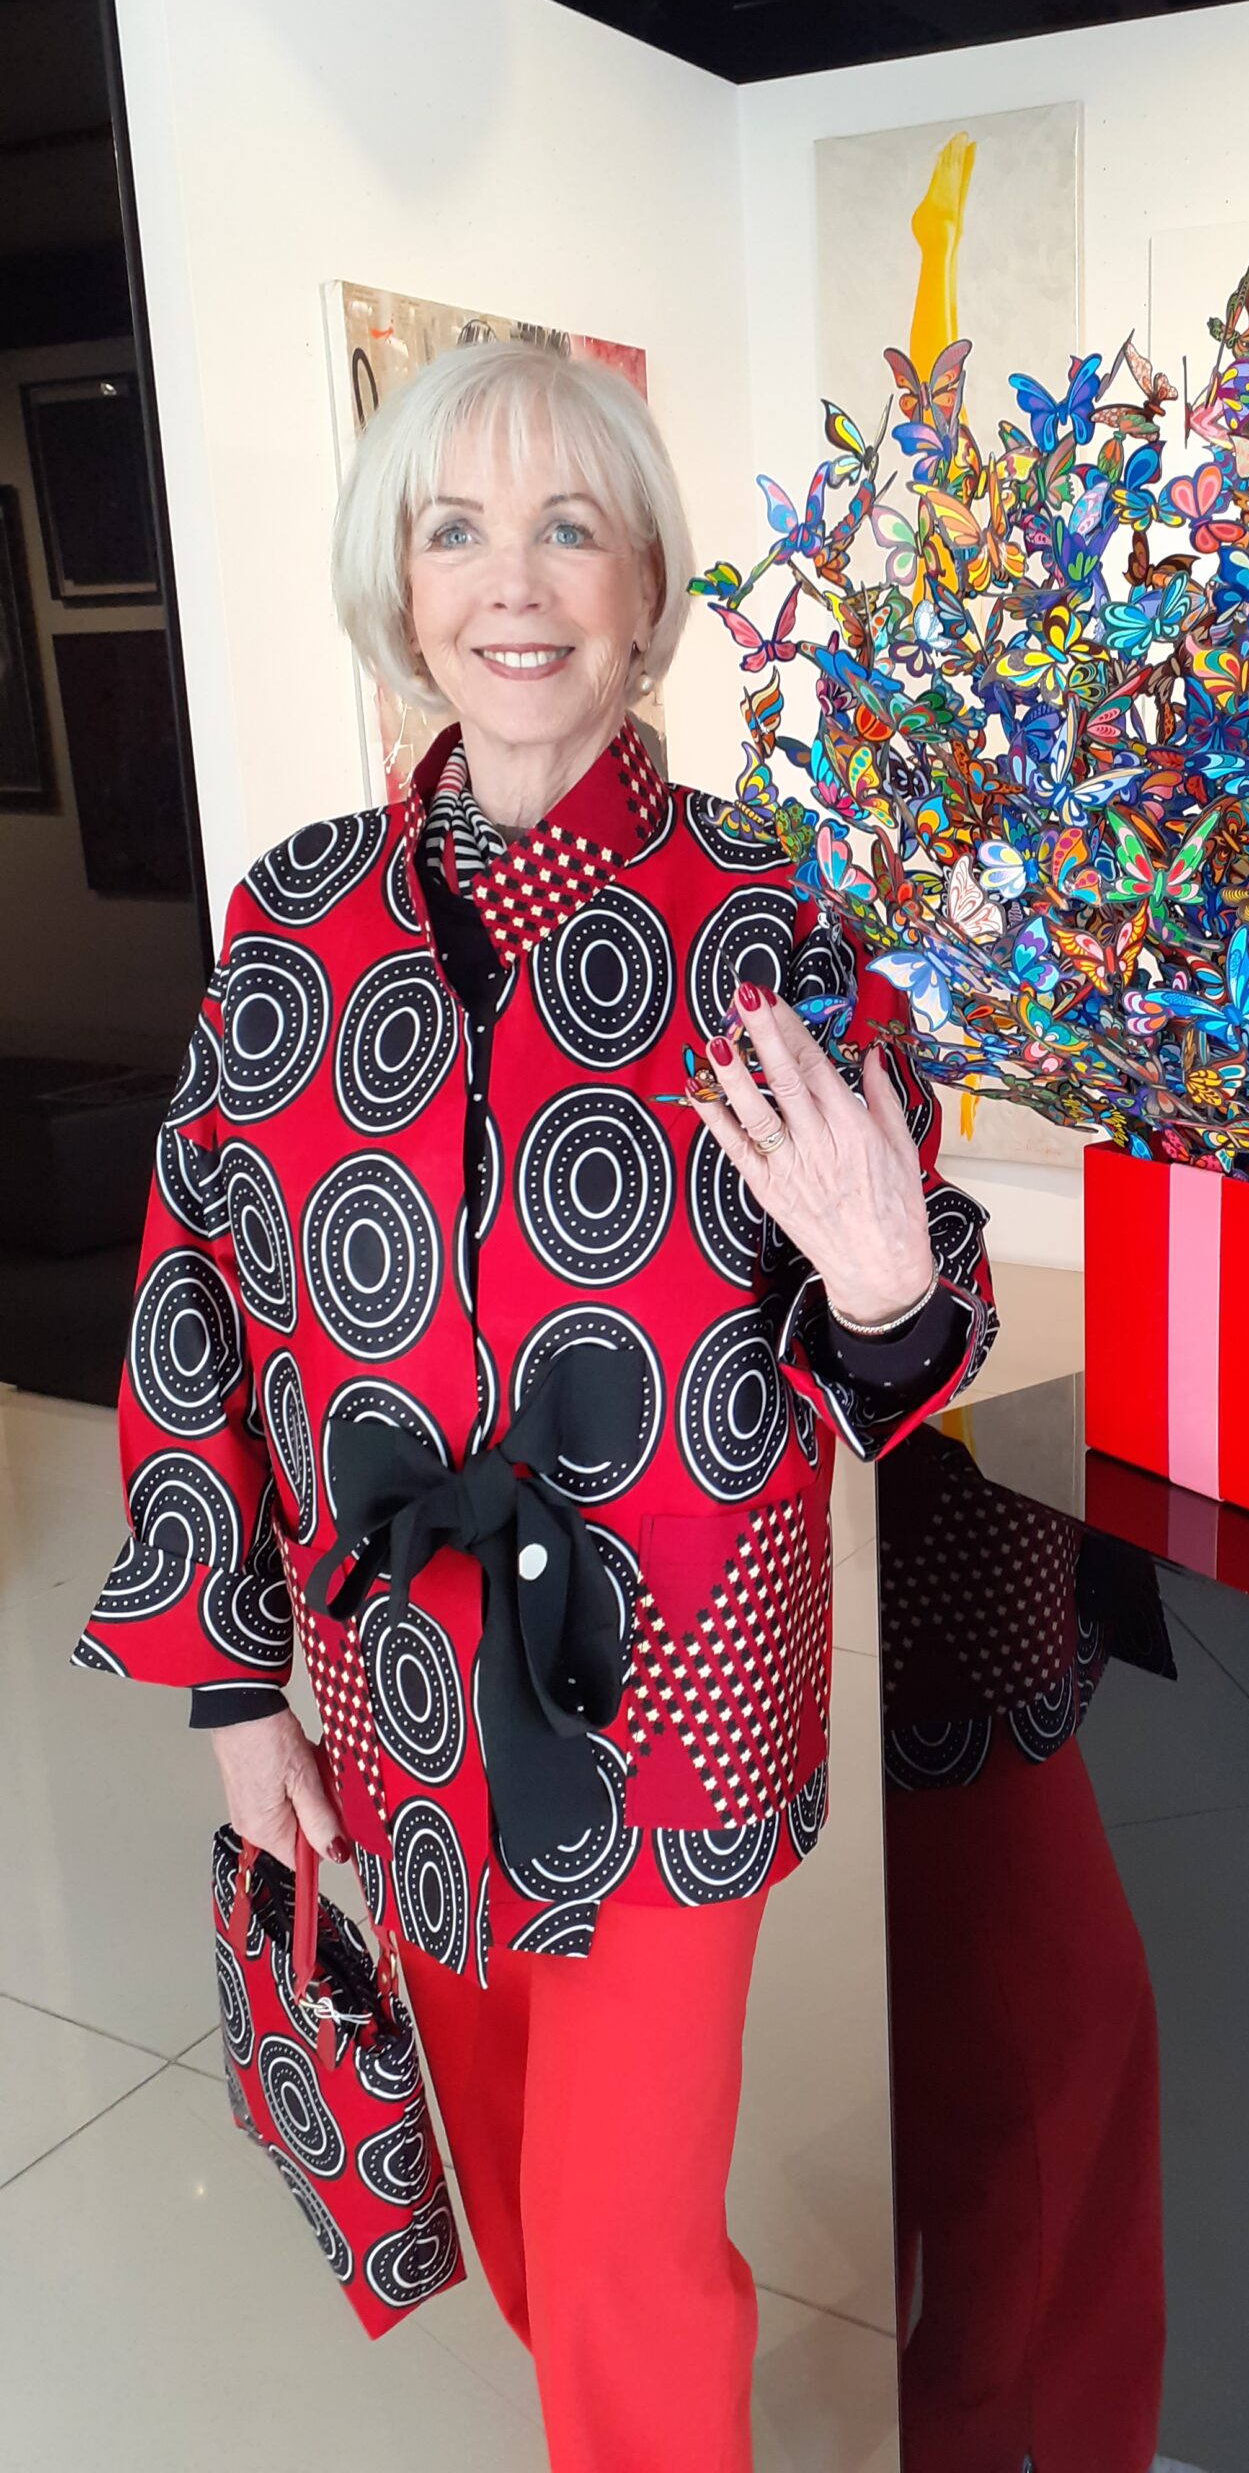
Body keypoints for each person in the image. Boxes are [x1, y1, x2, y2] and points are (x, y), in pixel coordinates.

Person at [72, 339, 995, 2472]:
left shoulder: (772, 921)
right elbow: (194, 1308)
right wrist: (232, 1692)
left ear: (645, 583)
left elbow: (904, 1328)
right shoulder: (291, 921)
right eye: (456, 529)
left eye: (570, 527)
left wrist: (884, 1284)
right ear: (399, 586)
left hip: (673, 1691)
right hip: (393, 1684)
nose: (514, 579)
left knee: (617, 2260)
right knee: (511, 2198)